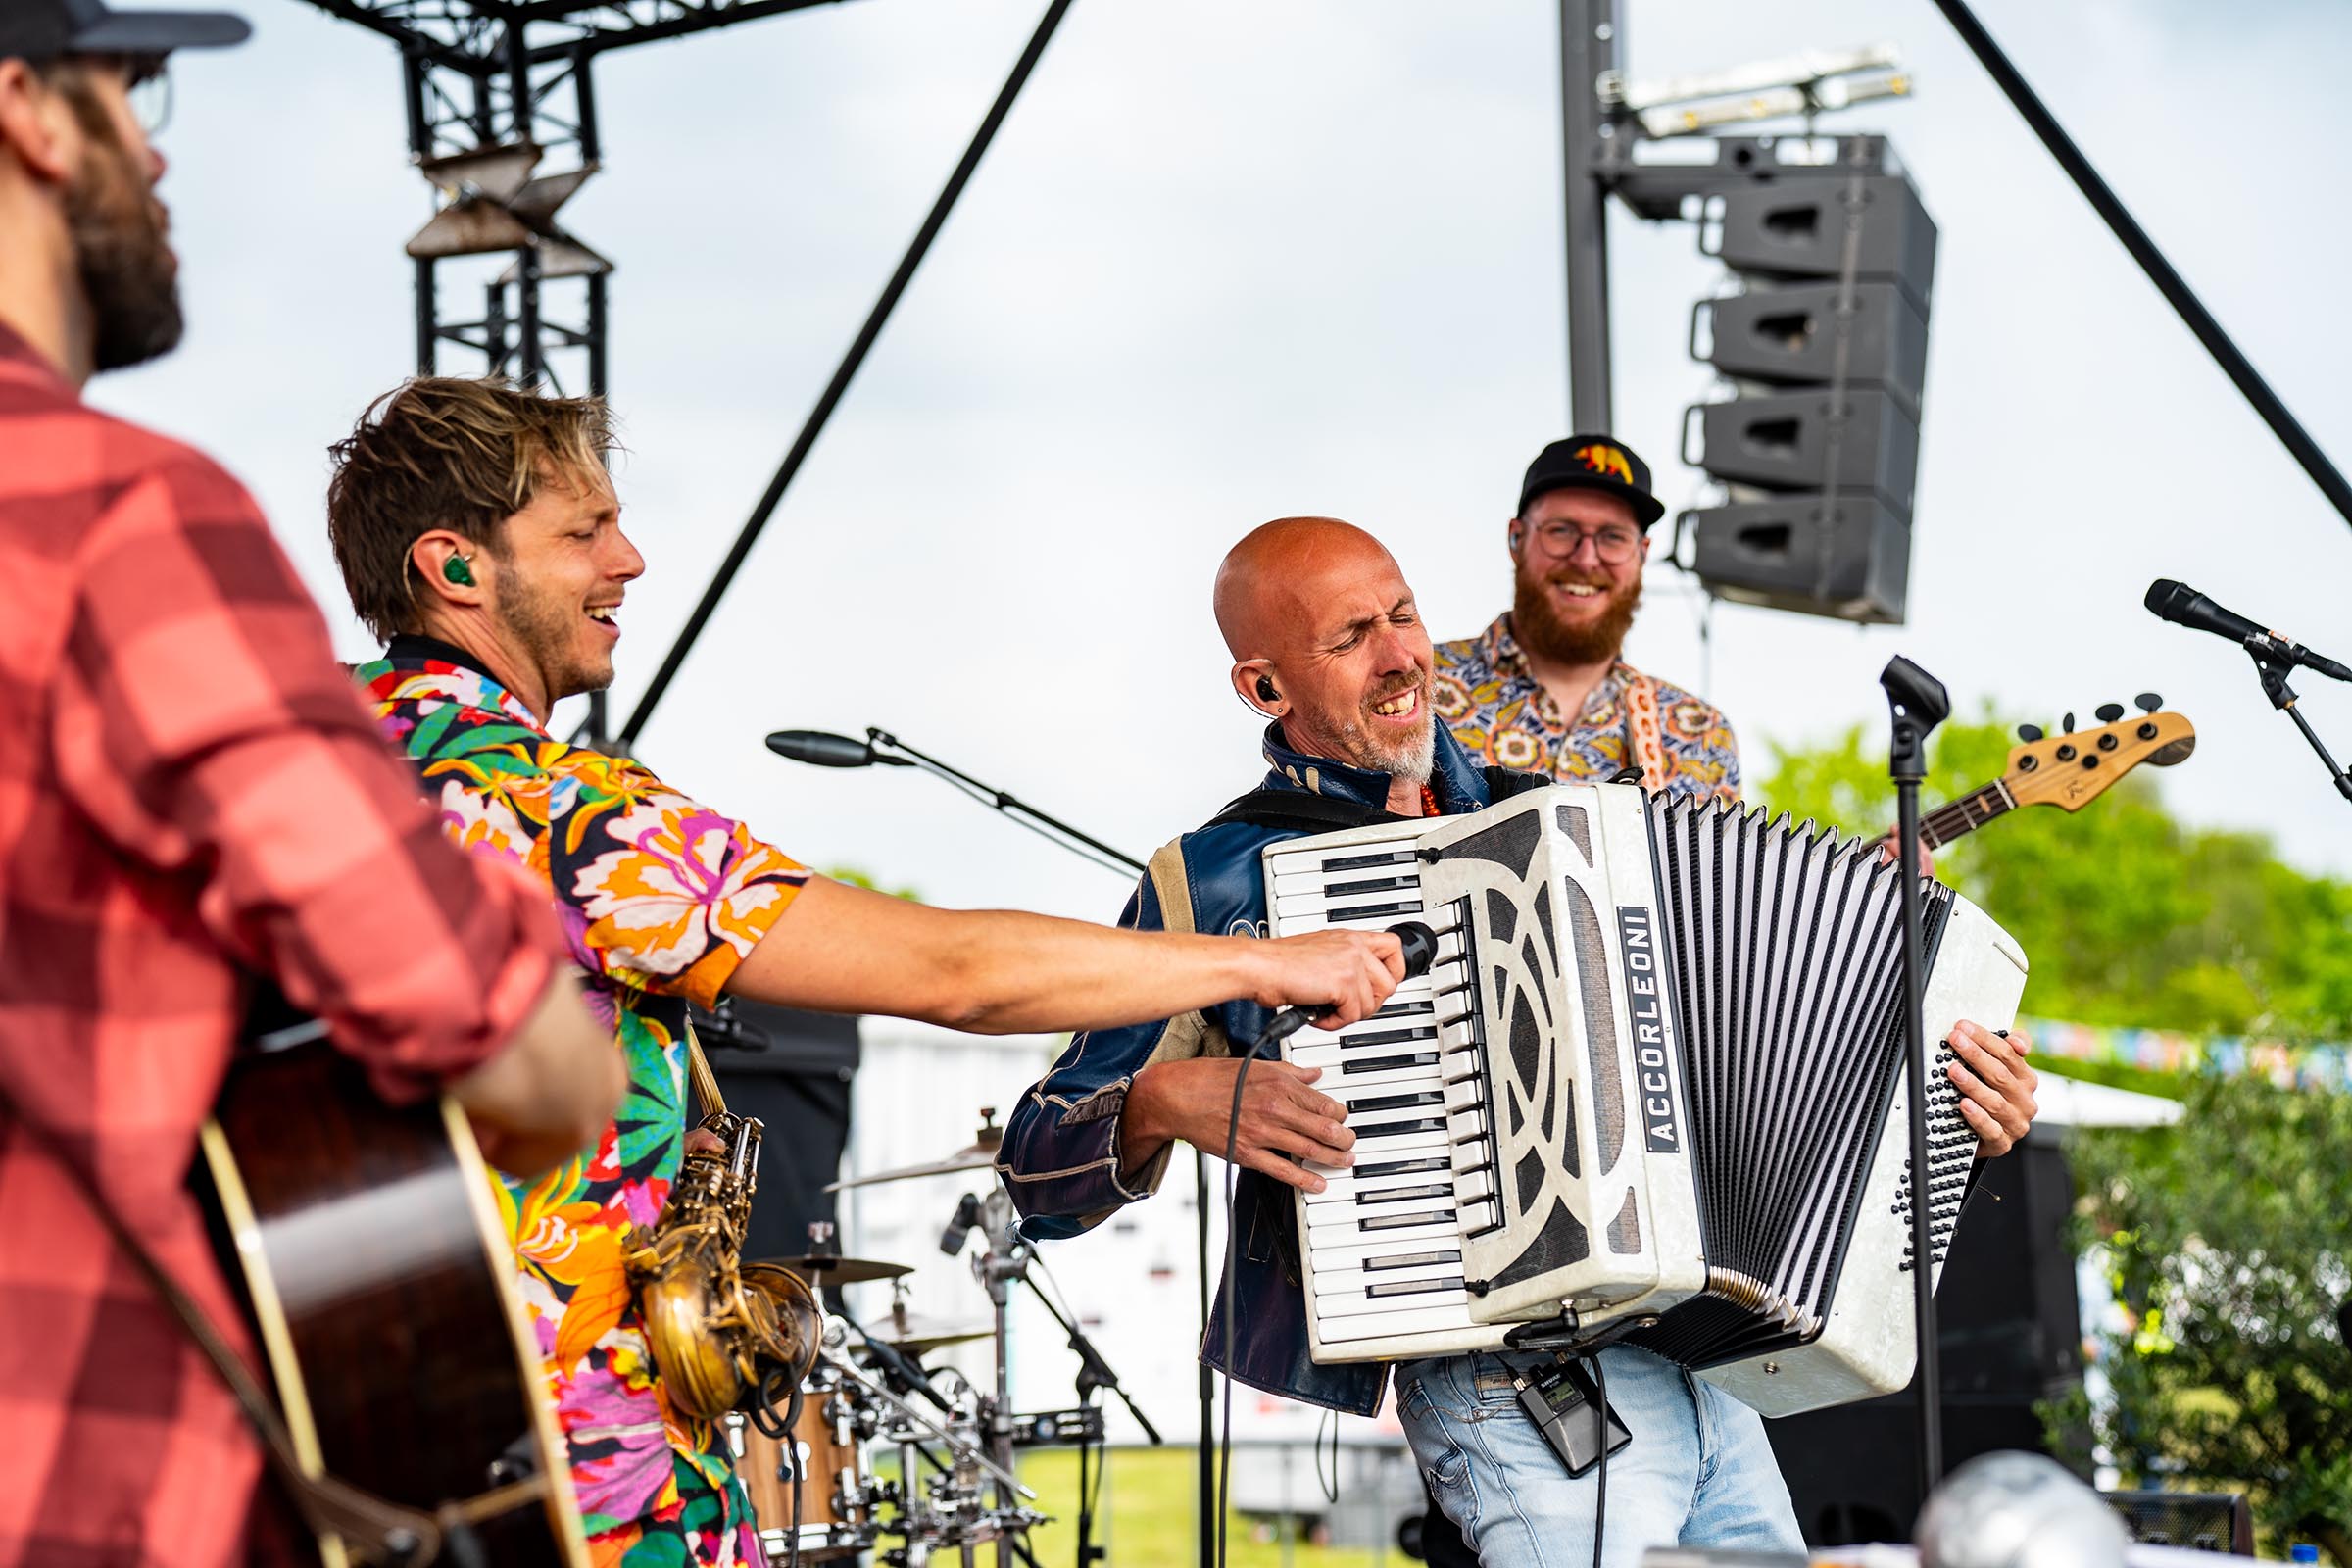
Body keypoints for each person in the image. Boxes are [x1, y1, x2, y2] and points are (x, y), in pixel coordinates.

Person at [318, 376, 1407, 1568]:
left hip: (381, 1439)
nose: (628, 558)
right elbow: (957, 973)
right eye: (583, 531)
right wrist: (1265, 958)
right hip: (578, 1469)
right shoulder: (554, 812)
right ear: (455, 569)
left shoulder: (311, 781)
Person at [996, 516, 2042, 1568]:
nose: (1404, 655)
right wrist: (1168, 1100)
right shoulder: (1218, 875)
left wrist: (1954, 1108)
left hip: (1700, 1361)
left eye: (1404, 615)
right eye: (1351, 635)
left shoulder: (1574, 826)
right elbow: (1037, 1167)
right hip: (1506, 1380)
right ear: (1267, 689)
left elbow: (1763, 1061)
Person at [0, 12, 619, 1567]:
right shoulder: (111, 518)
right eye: (131, 91)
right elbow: (529, 1066)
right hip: (86, 1480)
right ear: (25, 106)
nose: (151, 151)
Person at [1433, 435, 1739, 806]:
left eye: (1613, 537)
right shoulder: (1420, 691)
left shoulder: (1699, 734)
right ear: (1516, 539)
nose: (1586, 559)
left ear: (1642, 555)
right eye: (1562, 531)